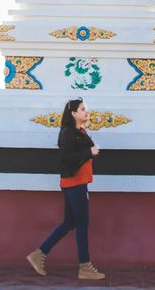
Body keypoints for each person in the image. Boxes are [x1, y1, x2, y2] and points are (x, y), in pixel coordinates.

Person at [26, 98, 105, 280]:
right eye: (83, 109)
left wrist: (89, 147)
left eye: (86, 109)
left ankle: (39, 254)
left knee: (70, 223)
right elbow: (66, 157)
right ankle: (85, 266)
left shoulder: (78, 131)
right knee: (82, 224)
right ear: (73, 114)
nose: (87, 112)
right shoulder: (68, 133)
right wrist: (89, 152)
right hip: (75, 184)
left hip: (78, 183)